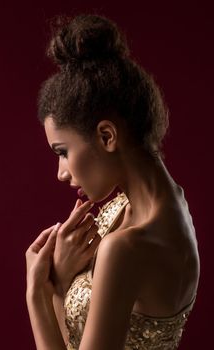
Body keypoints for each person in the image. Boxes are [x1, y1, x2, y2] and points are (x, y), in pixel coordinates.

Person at [25, 14, 200, 350]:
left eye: (62, 151)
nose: (61, 173)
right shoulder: (168, 205)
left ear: (106, 135)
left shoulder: (127, 249)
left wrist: (41, 293)